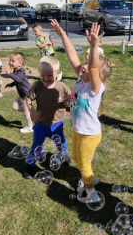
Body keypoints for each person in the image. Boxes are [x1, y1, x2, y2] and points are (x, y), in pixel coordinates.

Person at [51, 19, 112, 204]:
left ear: (98, 76)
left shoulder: (94, 87)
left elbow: (93, 67)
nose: (83, 66)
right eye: (84, 63)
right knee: (77, 158)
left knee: (84, 164)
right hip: (78, 129)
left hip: (90, 134)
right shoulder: (82, 80)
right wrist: (62, 35)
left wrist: (94, 46)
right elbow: (72, 57)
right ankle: (90, 179)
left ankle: (91, 191)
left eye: (88, 65)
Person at [24, 56, 71, 179]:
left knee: (60, 142)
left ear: (57, 73)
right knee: (36, 145)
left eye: (49, 75)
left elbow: (72, 97)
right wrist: (31, 110)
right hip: (40, 123)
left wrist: (71, 98)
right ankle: (30, 166)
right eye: (42, 75)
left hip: (57, 124)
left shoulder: (61, 87)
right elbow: (28, 98)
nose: (45, 78)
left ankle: (64, 155)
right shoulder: (37, 86)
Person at [4, 52, 33, 134]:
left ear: (20, 64)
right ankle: (27, 111)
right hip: (21, 95)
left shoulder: (21, 71)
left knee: (27, 113)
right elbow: (17, 81)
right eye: (10, 60)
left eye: (13, 61)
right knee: (14, 107)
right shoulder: (15, 70)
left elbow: (19, 79)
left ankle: (29, 127)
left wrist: (9, 73)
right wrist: (11, 84)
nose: (10, 62)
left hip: (26, 96)